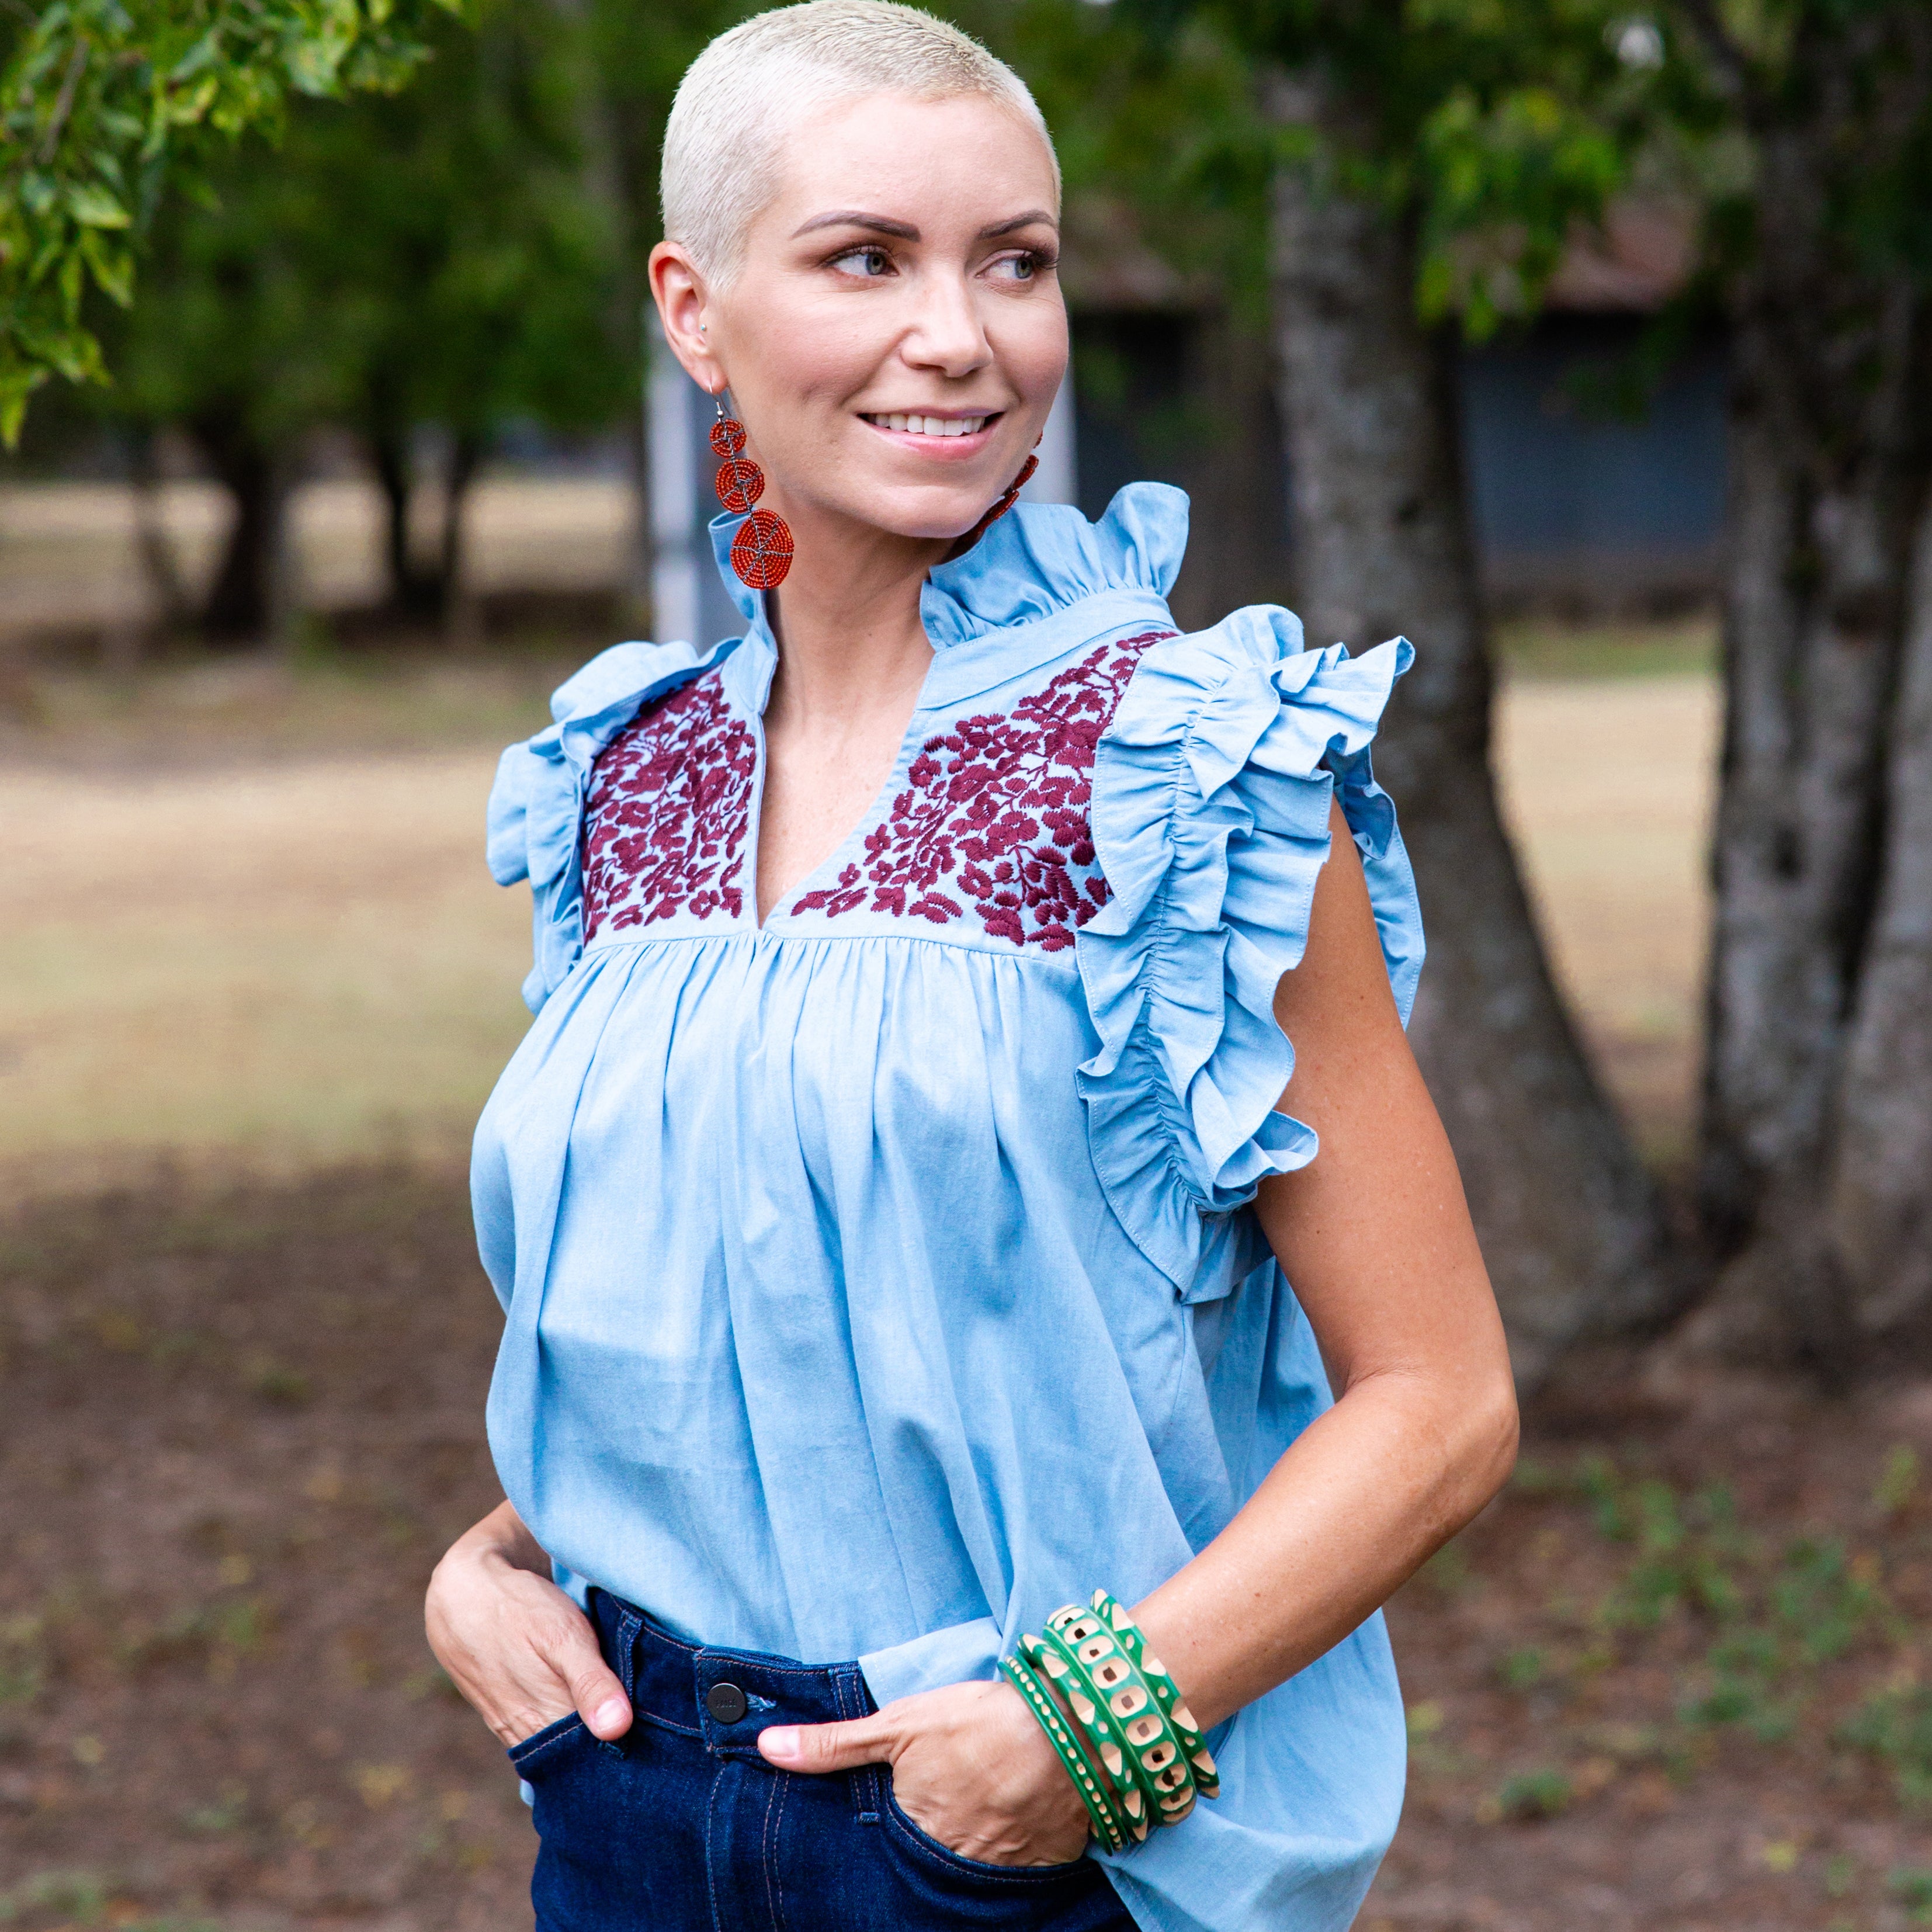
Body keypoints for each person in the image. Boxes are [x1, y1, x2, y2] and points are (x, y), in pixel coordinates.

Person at [424, 4, 1517, 1927]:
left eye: (1014, 260)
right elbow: (750, 1296)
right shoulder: (623, 775)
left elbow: (1435, 1395)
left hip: (1011, 1828)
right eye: (867, 257)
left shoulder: (1189, 769)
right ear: (696, 310)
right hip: (614, 1810)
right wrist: (492, 1559)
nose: (964, 334)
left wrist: (1062, 1743)